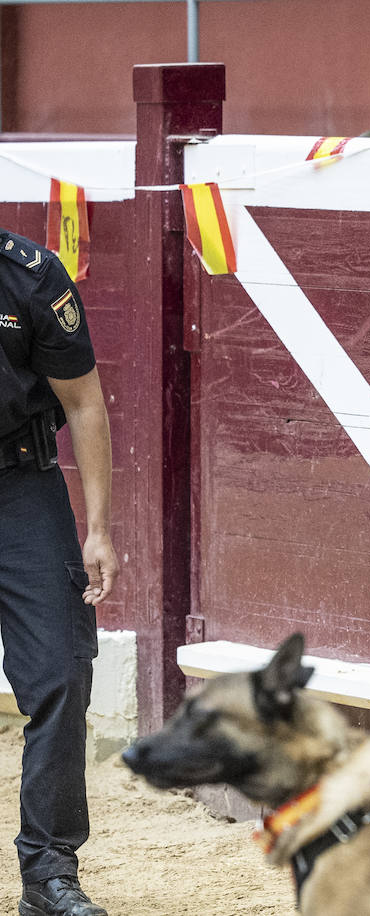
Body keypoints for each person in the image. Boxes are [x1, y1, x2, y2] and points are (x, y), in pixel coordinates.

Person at [0, 230, 119, 916]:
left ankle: (48, 872)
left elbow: (84, 402)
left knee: (61, 670)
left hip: (19, 486)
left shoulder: (33, 276)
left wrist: (98, 529)